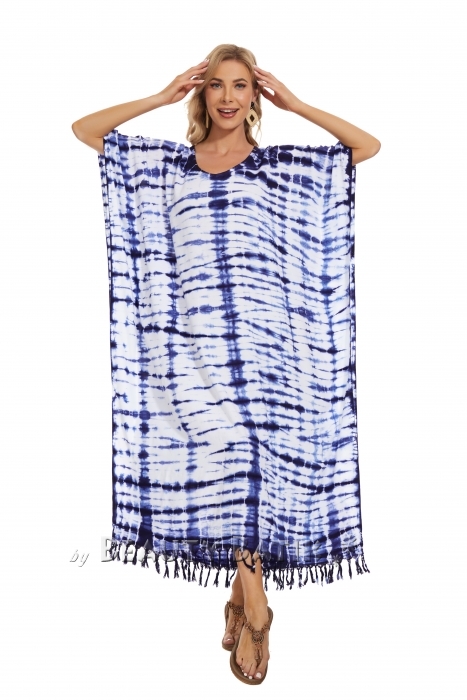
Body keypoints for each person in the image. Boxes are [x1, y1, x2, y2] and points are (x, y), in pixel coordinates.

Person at [72, 43, 380, 685]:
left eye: (242, 85)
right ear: (202, 93)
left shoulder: (279, 167)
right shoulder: (168, 168)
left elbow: (365, 147)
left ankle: (247, 601)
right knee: (234, 474)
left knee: (250, 478)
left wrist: (297, 104)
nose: (229, 97)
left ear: (256, 95)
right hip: (192, 359)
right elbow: (85, 131)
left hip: (270, 360)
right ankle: (255, 606)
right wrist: (159, 97)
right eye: (217, 84)